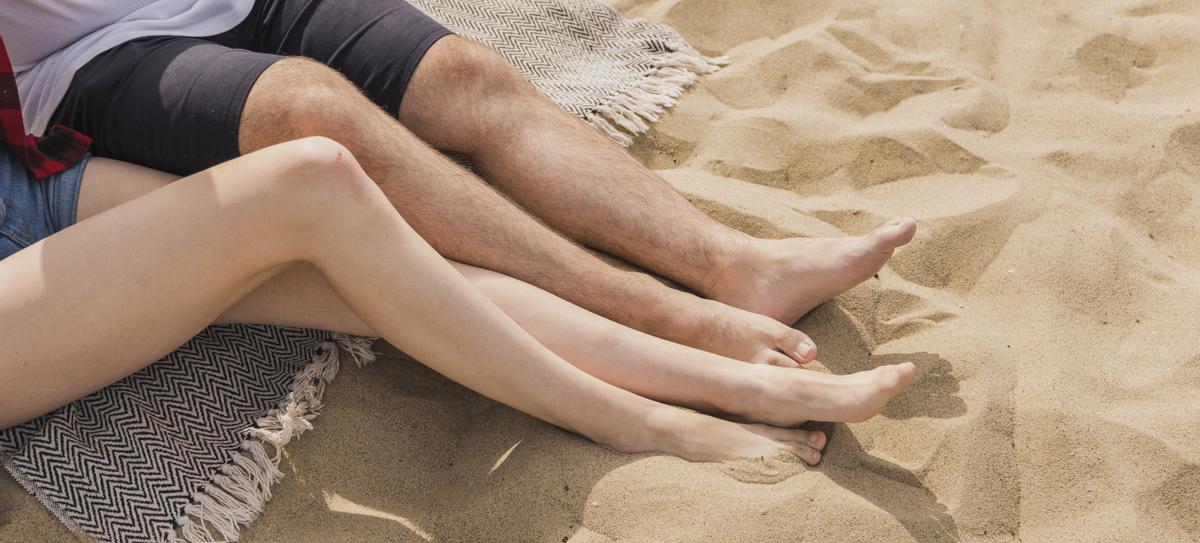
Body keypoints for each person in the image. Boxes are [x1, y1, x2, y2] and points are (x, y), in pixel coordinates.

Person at [3, 0, 918, 369]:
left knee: (467, 79)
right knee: (310, 112)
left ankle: (732, 265)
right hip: (84, 64)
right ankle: (655, 313)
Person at [0, 138, 915, 463]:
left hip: (23, 188)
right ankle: (633, 421)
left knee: (382, 268)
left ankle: (723, 379)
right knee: (310, 181)